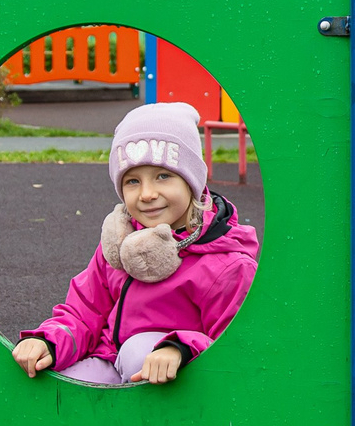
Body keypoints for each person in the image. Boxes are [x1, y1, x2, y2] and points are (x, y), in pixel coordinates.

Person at [15, 102, 258, 386]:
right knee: (60, 386)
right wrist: (49, 341)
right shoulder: (121, 242)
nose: (146, 194)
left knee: (137, 351)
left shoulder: (226, 265)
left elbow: (236, 347)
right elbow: (84, 312)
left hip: (181, 389)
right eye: (132, 181)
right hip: (109, 358)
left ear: (192, 181)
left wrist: (180, 348)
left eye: (163, 176)